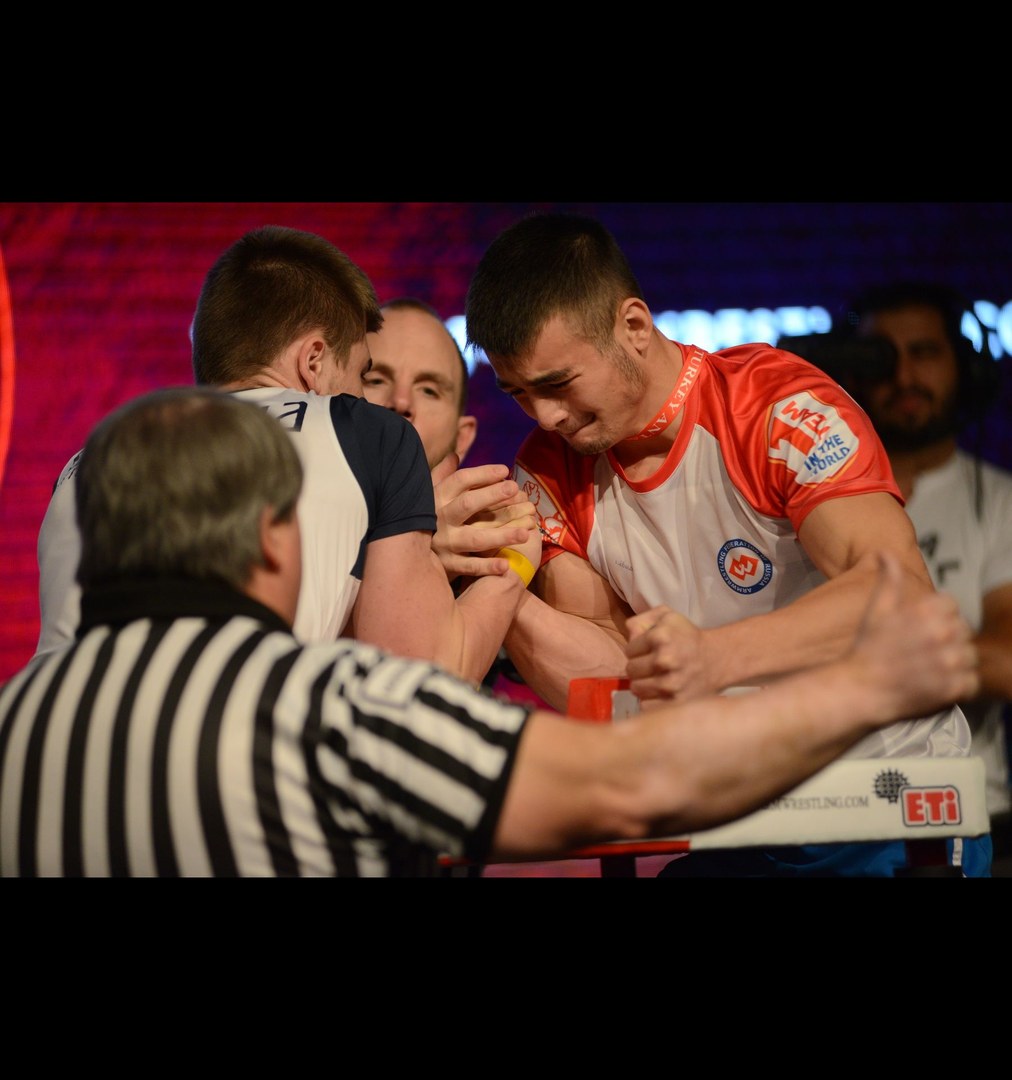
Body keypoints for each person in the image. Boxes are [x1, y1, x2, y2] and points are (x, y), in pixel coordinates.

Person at [0, 386, 980, 877]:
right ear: (270, 539)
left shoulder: (14, 723)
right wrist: (864, 686)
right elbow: (634, 782)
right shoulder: (323, 709)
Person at [464, 211, 990, 877]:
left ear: (632, 327)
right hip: (732, 817)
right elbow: (606, 680)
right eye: (518, 393)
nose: (544, 417)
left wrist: (712, 657)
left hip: (886, 799)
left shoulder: (775, 408)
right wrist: (500, 588)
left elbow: (898, 592)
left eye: (557, 385)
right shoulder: (547, 469)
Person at [34, 226, 539, 688]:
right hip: (217, 764)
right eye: (364, 374)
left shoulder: (80, 464)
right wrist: (515, 560)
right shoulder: (368, 434)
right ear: (314, 360)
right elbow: (413, 685)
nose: (369, 399)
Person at [839, 281, 1012, 872]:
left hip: (971, 814)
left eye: (926, 352)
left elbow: (1008, 660)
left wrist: (851, 650)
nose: (904, 374)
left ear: (962, 366)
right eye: (882, 356)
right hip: (834, 813)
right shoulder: (811, 501)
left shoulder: (1000, 501)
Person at [364, 297, 546, 700]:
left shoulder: (493, 547)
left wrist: (505, 570)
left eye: (429, 389)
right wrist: (413, 553)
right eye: (375, 379)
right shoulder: (282, 521)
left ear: (463, 436)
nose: (401, 403)